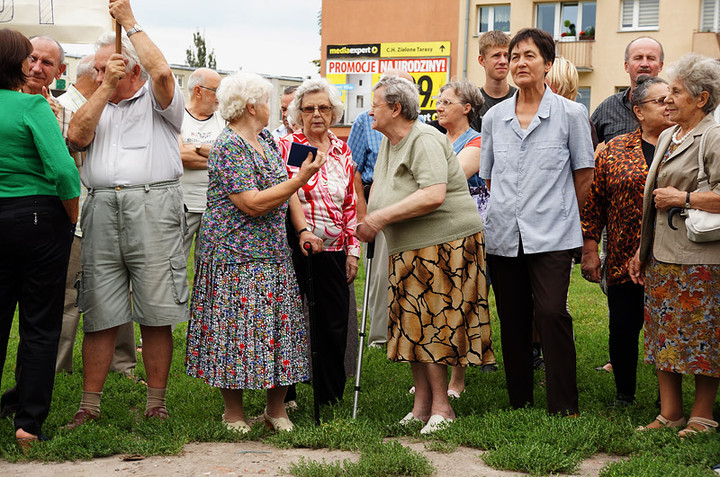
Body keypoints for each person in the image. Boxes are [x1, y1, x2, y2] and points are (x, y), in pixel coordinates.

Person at [65, 0, 189, 428]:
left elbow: (163, 74)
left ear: (132, 70)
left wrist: (131, 24)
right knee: (98, 309)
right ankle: (89, 407)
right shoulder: (95, 102)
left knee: (157, 310)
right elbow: (77, 138)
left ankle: (156, 403)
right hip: (100, 206)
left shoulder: (159, 102)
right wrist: (102, 88)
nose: (98, 74)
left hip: (153, 205)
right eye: (98, 69)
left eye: (107, 68)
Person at [185, 72, 324, 432]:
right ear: (251, 106)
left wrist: (303, 228)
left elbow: (286, 191)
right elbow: (250, 204)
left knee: (279, 329)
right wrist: (299, 179)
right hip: (234, 255)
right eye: (266, 100)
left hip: (273, 251)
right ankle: (233, 414)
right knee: (233, 332)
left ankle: (276, 411)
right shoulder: (228, 146)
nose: (273, 107)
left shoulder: (267, 140)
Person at [356, 75, 489, 434]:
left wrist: (378, 217)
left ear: (396, 109)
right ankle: (421, 407)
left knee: (432, 326)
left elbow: (433, 194)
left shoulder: (424, 138)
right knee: (410, 326)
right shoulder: (390, 141)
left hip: (443, 243)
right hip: (409, 246)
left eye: (376, 104)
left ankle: (442, 408)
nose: (370, 111)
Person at [480, 28, 595, 416]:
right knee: (512, 317)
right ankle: (520, 400)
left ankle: (564, 404)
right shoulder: (495, 117)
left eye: (529, 56)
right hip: (504, 235)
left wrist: (566, 217)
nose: (519, 63)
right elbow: (490, 176)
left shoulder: (571, 114)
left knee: (550, 312)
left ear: (547, 64)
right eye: (514, 57)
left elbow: (584, 175)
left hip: (553, 234)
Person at [629, 53, 720, 436]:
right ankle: (670, 413)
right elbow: (653, 197)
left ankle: (703, 416)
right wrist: (641, 249)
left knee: (702, 338)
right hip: (662, 254)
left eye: (676, 92)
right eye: (666, 93)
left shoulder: (714, 135)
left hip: (700, 257)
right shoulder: (669, 134)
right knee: (662, 334)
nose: (667, 99)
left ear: (701, 98)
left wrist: (683, 199)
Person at [0, 28, 80, 449]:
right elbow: (65, 171)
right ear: (17, 63)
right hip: (36, 218)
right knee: (40, 324)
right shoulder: (32, 105)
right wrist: (70, 218)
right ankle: (28, 424)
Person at [581, 75, 673, 407]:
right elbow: (595, 203)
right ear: (638, 110)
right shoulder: (615, 150)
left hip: (672, 255)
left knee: (669, 327)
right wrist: (590, 248)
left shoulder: (684, 146)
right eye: (659, 101)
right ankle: (625, 393)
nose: (668, 106)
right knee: (623, 325)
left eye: (670, 99)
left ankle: (670, 400)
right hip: (623, 257)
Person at [279, 78, 360, 406]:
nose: (316, 114)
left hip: (335, 248)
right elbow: (288, 192)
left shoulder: (341, 148)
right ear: (298, 113)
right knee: (291, 320)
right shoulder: (288, 147)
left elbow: (350, 202)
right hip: (294, 245)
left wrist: (353, 249)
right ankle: (288, 394)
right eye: (309, 108)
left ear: (333, 112)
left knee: (334, 320)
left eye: (323, 108)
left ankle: (329, 395)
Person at [436, 79, 496, 395]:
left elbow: (452, 177)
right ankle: (434, 373)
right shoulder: (435, 139)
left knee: (460, 300)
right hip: (434, 223)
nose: (439, 106)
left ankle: (457, 381)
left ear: (467, 108)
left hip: (466, 225)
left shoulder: (477, 142)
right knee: (437, 300)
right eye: (439, 101)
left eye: (447, 101)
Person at [349, 69, 415, 347]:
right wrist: (363, 213)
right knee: (377, 273)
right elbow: (352, 167)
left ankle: (406, 327)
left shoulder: (419, 127)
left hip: (408, 205)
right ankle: (379, 333)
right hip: (373, 198)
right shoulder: (366, 122)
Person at [179, 67, 225, 265]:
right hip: (183, 205)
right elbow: (179, 156)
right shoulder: (177, 116)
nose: (220, 97)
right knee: (175, 263)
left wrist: (195, 147)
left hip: (216, 208)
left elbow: (232, 158)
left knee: (209, 266)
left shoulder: (224, 119)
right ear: (198, 91)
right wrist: (218, 156)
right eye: (216, 90)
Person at [591, 37, 664, 145]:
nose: (644, 64)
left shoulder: (672, 107)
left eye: (651, 58)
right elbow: (583, 147)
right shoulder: (608, 107)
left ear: (660, 66)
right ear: (626, 66)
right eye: (638, 58)